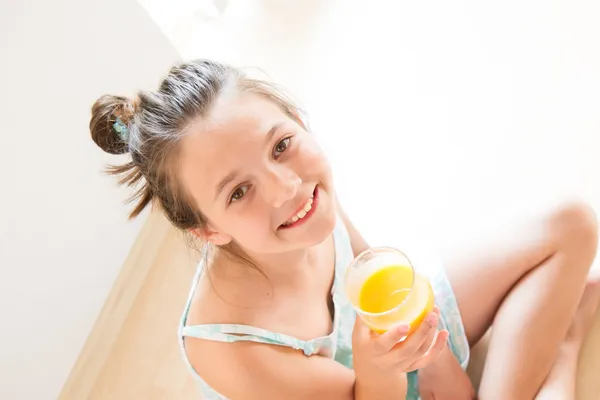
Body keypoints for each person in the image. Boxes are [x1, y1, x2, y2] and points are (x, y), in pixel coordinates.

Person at [90, 59, 600, 400]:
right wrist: (392, 363)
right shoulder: (229, 346)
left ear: (297, 119)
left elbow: (377, 272)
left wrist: (436, 356)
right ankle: (565, 346)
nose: (286, 187)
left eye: (280, 145)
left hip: (387, 350)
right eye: (238, 192)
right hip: (369, 387)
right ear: (206, 230)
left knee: (570, 220)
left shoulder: (309, 201)